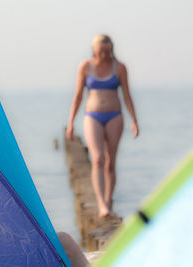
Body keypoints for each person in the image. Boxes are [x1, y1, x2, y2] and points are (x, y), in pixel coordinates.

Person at [66, 34, 139, 217]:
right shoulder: (85, 67)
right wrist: (70, 124)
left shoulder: (120, 68)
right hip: (92, 116)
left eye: (108, 51)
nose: (105, 55)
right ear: (94, 50)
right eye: (101, 52)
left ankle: (108, 199)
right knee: (97, 158)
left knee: (110, 162)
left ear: (112, 49)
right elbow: (78, 96)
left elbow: (127, 96)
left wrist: (135, 121)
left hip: (115, 116)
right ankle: (101, 204)